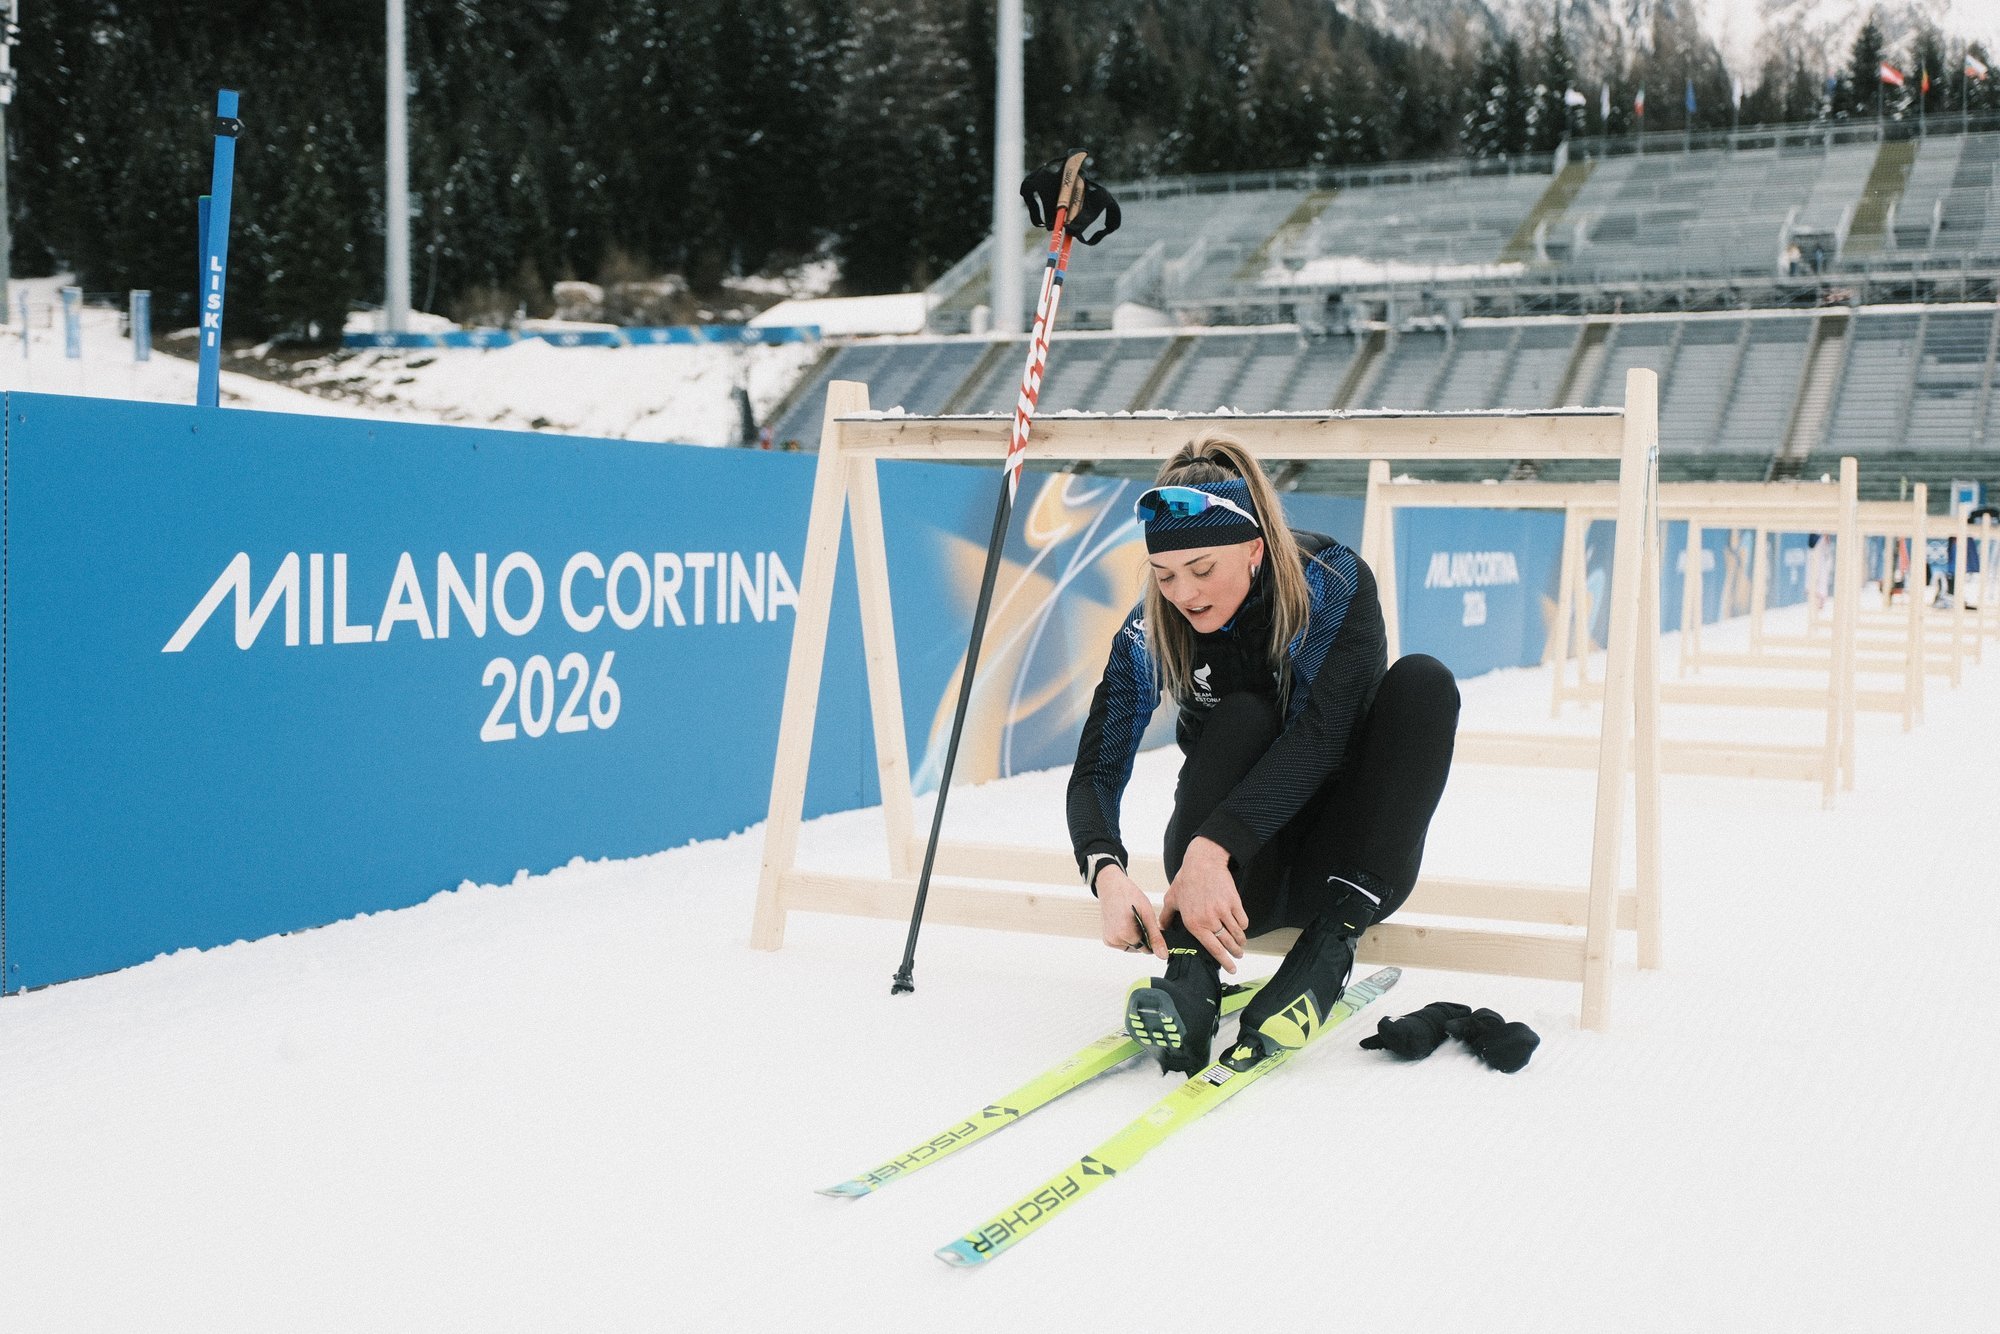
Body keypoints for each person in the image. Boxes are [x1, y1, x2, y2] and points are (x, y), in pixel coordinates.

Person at [1067, 432, 1460, 1073]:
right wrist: (1106, 873)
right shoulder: (1149, 627)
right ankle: (1189, 981)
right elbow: (1097, 767)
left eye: (1202, 570)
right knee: (1245, 712)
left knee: (1424, 682)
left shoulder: (1331, 584)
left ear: (1254, 549)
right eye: (1164, 575)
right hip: (1228, 886)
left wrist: (1209, 845)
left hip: (1346, 862)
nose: (1184, 594)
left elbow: (1323, 738)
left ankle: (1328, 949)